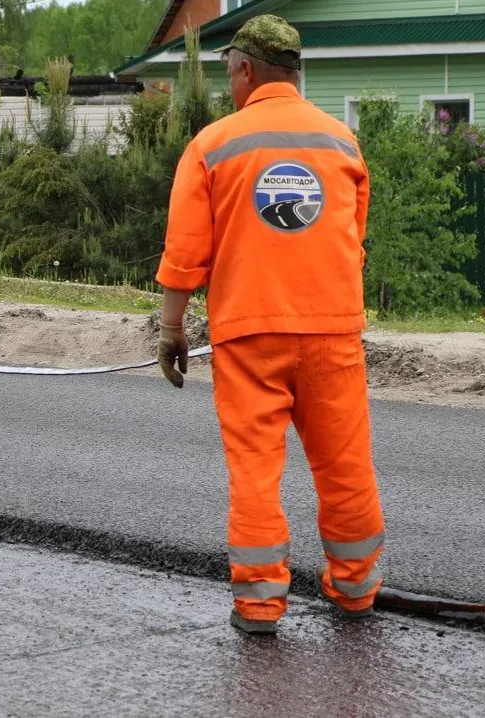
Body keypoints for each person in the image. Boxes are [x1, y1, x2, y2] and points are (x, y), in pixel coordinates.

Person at [155, 15, 386, 634]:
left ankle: (259, 606)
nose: (229, 81)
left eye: (229, 70)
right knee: (345, 465)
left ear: (246, 70)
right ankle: (357, 590)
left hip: (248, 336)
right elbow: (353, 242)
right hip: (332, 333)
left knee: (255, 469)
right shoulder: (341, 143)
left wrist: (171, 330)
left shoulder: (213, 145)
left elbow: (184, 253)